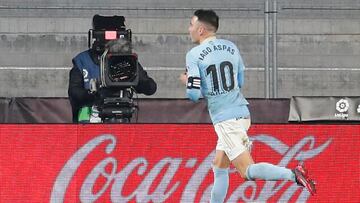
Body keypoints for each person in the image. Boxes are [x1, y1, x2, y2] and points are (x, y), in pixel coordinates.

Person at [180, 9, 316, 203]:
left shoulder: (194, 55)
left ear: (201, 29)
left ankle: (293, 174)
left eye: (191, 24)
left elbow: (193, 95)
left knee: (246, 171)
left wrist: (187, 81)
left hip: (226, 119)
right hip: (242, 113)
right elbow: (240, 81)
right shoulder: (231, 47)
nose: (189, 29)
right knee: (219, 166)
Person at [68, 15, 157, 123]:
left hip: (121, 118)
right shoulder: (82, 60)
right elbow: (74, 93)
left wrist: (133, 80)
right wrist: (95, 94)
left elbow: (151, 87)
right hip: (89, 121)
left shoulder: (127, 60)